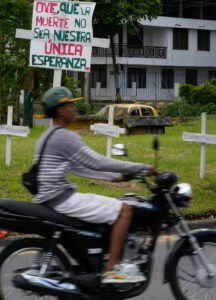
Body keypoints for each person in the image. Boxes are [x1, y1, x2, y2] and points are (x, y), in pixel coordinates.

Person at [34, 86, 159, 284]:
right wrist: (142, 167)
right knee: (124, 210)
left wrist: (112, 177)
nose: (74, 109)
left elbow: (77, 167)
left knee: (110, 208)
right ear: (60, 110)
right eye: (69, 105)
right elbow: (98, 161)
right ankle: (112, 269)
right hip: (61, 198)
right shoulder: (65, 137)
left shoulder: (47, 135)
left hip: (50, 196)